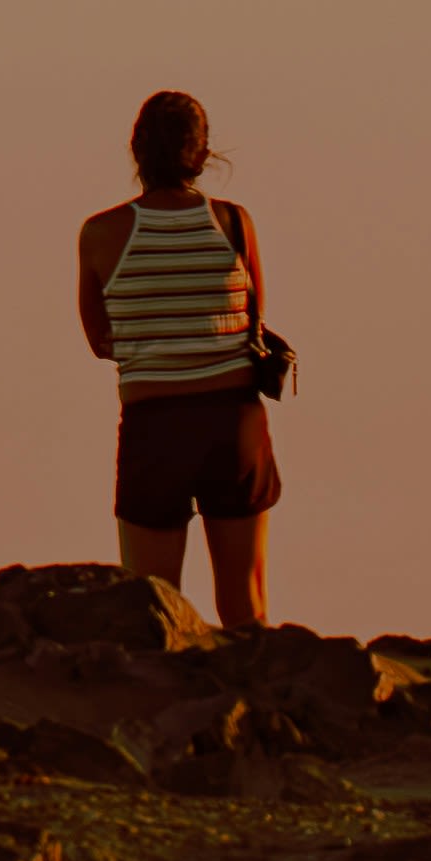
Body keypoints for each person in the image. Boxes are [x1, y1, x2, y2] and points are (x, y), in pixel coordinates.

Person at [77, 90, 277, 628]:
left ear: (136, 150)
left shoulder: (101, 233)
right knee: (246, 609)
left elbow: (99, 339)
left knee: (153, 609)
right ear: (204, 153)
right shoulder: (234, 222)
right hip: (233, 421)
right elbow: (253, 319)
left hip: (154, 425)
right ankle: (252, 705)